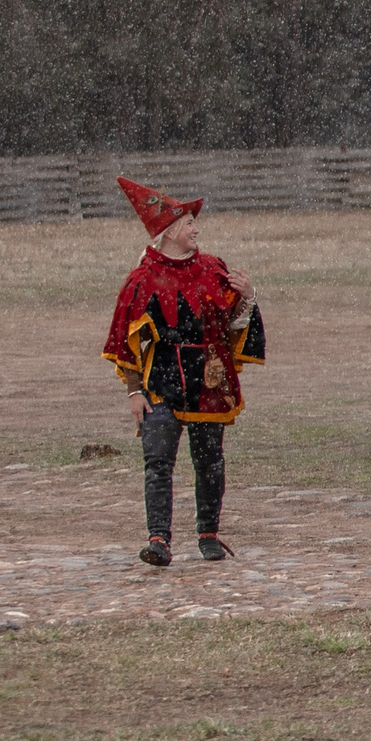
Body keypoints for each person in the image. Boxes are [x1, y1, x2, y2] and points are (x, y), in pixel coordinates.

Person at [102, 178, 265, 567]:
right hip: (161, 384)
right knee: (158, 461)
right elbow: (126, 341)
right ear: (171, 231)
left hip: (209, 382)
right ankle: (158, 539)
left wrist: (247, 296)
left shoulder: (213, 269)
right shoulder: (142, 280)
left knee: (209, 460)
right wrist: (133, 391)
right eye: (190, 223)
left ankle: (208, 534)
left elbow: (232, 328)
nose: (196, 230)